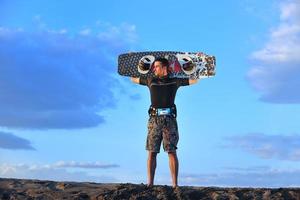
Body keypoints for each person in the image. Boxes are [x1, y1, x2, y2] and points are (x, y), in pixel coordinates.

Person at [131, 57, 198, 188]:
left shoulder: (175, 81)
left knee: (171, 151)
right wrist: (136, 62)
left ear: (164, 68)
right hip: (154, 119)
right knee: (151, 151)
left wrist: (195, 63)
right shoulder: (150, 80)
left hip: (169, 120)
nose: (154, 69)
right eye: (153, 67)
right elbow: (133, 79)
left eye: (156, 67)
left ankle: (175, 184)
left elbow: (195, 80)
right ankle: (150, 183)